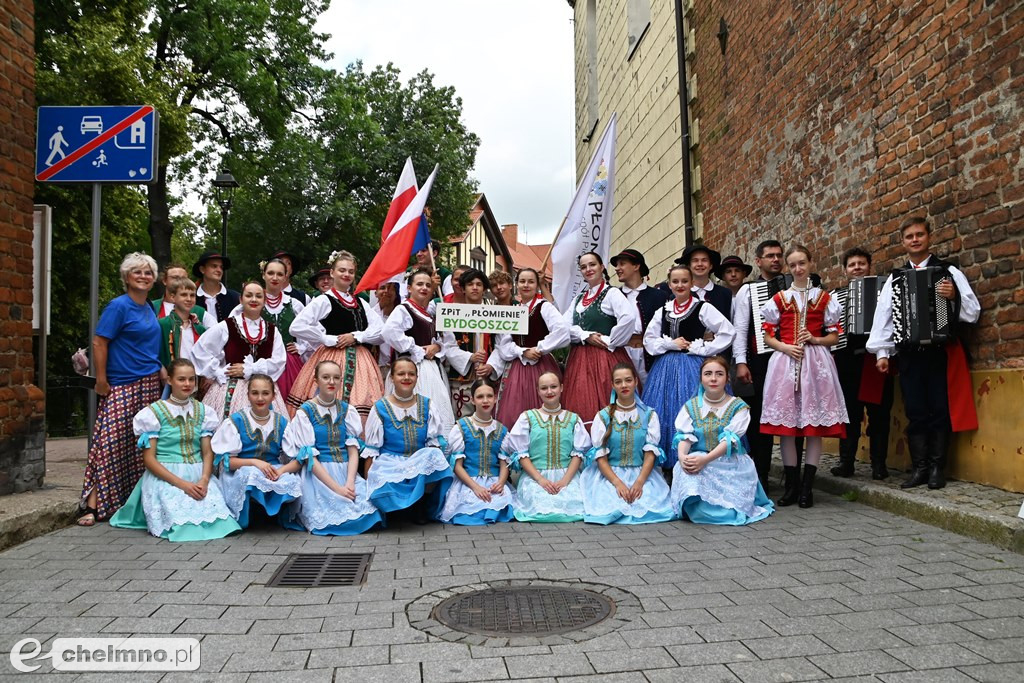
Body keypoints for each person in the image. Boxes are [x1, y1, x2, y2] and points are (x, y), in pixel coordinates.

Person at [867, 216, 980, 490]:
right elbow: (883, 319)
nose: (915, 239)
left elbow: (972, 312)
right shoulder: (895, 278)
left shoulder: (949, 272)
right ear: (903, 242)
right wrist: (882, 353)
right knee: (915, 410)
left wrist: (953, 297)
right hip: (909, 354)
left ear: (929, 237)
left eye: (919, 234)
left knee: (940, 408)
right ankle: (920, 468)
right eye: (909, 236)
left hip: (940, 352)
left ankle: (937, 469)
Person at [109, 359, 241, 541]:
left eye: (191, 379)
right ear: (170, 380)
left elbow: (207, 452)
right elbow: (149, 460)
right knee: (179, 518)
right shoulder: (153, 413)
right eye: (181, 379)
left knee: (219, 517)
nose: (187, 384)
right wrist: (183, 485)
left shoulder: (204, 412)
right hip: (165, 474)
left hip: (197, 471)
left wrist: (204, 478)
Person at [78, 252, 165, 526]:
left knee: (138, 445)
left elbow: (148, 346)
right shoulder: (119, 306)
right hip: (122, 382)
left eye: (148, 272)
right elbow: (99, 342)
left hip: (150, 382)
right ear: (126, 277)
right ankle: (91, 505)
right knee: (109, 443)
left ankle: (127, 502)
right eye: (137, 272)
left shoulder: (149, 307)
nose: (143, 276)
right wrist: (101, 379)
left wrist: (162, 369)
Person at [761, 245, 848, 508]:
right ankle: (791, 486)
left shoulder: (824, 298)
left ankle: (807, 488)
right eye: (793, 265)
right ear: (788, 267)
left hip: (815, 363)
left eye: (802, 263)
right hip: (785, 362)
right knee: (788, 429)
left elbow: (835, 335)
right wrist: (786, 347)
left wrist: (815, 338)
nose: (798, 269)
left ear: (810, 263)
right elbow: (767, 335)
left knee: (813, 428)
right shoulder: (779, 299)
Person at [643, 264, 735, 468]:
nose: (680, 285)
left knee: (695, 410)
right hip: (665, 368)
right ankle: (668, 464)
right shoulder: (663, 310)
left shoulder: (703, 307)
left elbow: (728, 332)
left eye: (685, 281)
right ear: (669, 285)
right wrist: (669, 344)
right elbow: (649, 340)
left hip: (693, 366)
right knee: (664, 411)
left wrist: (701, 348)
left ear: (692, 283)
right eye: (675, 281)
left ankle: (699, 460)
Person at [281, 360, 384, 534]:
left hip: (346, 471)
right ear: (316, 380)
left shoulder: (347, 410)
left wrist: (350, 482)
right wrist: (338, 489)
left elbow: (353, 452)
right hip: (319, 475)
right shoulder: (305, 413)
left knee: (370, 511)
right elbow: (310, 460)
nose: (331, 382)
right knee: (333, 515)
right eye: (326, 377)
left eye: (336, 378)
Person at [670, 356, 774, 525]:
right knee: (688, 476)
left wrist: (706, 459)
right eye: (708, 374)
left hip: (729, 462)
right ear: (701, 378)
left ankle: (720, 509)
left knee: (731, 508)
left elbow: (729, 441)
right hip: (698, 458)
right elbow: (684, 436)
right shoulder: (691, 406)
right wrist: (682, 457)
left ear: (727, 378)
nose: (713, 378)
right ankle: (696, 507)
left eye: (719, 374)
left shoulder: (738, 407)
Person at [287, 250, 385, 421]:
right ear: (332, 272)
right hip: (332, 357)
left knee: (362, 400)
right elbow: (296, 327)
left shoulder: (361, 302)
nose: (346, 274)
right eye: (342, 270)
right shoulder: (324, 300)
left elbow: (381, 331)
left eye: (351, 271)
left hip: (361, 361)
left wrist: (357, 336)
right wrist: (325, 338)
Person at [581, 363, 675, 525]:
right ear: (612, 385)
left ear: (636, 382)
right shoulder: (603, 416)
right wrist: (618, 483)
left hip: (642, 474)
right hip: (610, 475)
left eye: (628, 380)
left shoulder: (648, 415)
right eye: (618, 382)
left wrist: (639, 482)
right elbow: (601, 458)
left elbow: (650, 454)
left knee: (649, 505)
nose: (624, 385)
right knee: (612, 505)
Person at [363, 357, 454, 522]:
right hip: (390, 461)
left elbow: (433, 442)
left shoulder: (427, 404)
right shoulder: (380, 407)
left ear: (417, 378)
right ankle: (397, 509)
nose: (406, 377)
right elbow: (372, 450)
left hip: (417, 460)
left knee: (434, 455)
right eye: (401, 374)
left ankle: (421, 504)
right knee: (383, 484)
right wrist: (367, 485)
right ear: (392, 378)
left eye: (411, 374)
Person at [830, 247, 894, 480]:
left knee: (879, 413)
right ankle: (846, 462)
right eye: (852, 264)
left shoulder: (883, 291)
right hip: (847, 359)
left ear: (869, 266)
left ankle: (879, 465)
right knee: (849, 414)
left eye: (861, 263)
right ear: (845, 270)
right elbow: (831, 327)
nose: (857, 267)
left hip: (875, 358)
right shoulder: (837, 296)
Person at [211, 374, 302, 527]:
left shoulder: (281, 422)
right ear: (248, 395)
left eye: (265, 393)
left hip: (273, 469)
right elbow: (229, 463)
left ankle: (276, 516)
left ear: (274, 396)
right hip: (242, 469)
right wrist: (255, 462)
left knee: (291, 480)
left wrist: (281, 471)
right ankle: (248, 516)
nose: (260, 398)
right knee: (252, 475)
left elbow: (298, 460)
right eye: (255, 393)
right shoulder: (236, 421)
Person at [731, 240, 786, 490]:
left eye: (779, 255)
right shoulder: (748, 291)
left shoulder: (794, 285)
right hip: (761, 359)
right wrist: (741, 362)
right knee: (760, 419)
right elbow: (741, 328)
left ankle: (792, 477)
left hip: (791, 357)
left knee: (791, 417)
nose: (775, 260)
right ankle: (761, 474)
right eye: (770, 256)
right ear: (759, 261)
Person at [191, 281, 288, 420]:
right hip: (230, 390)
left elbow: (279, 362)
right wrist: (218, 371)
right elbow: (200, 350)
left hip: (263, 390)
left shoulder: (272, 330)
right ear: (241, 299)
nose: (254, 299)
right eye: (249, 295)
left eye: (258, 296)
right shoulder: (227, 325)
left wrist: (252, 368)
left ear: (264, 301)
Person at [563, 251, 638, 427]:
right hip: (579, 361)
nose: (588, 269)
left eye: (592, 264)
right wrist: (584, 335)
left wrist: (610, 341)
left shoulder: (612, 294)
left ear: (602, 267)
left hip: (605, 359)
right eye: (583, 267)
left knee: (607, 401)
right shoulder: (578, 299)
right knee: (581, 401)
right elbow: (563, 326)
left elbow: (628, 318)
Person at [505, 371, 590, 522]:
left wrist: (564, 481)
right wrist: (541, 480)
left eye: (553, 386)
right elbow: (522, 454)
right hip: (535, 476)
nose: (549, 391)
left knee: (575, 502)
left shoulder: (573, 419)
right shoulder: (527, 418)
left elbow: (578, 455)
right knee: (539, 503)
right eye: (544, 388)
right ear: (538, 390)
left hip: (567, 475)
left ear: (561, 388)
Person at [381, 269, 457, 435]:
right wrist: (415, 348)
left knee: (434, 410)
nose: (424, 288)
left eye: (428, 285)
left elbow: (442, 340)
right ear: (409, 288)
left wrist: (436, 347)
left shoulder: (429, 313)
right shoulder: (404, 309)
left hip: (431, 369)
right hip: (412, 367)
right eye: (419, 284)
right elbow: (389, 332)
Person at [494, 268, 570, 428]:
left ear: (537, 285)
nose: (526, 285)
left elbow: (562, 331)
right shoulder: (514, 311)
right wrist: (522, 351)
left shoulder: (544, 307)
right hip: (518, 366)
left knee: (542, 401)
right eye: (522, 281)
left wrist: (539, 348)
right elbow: (504, 344)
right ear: (516, 285)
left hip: (541, 364)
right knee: (515, 407)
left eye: (531, 281)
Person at [439, 378, 516, 525]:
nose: (485, 400)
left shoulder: (501, 430)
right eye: (480, 397)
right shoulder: (461, 428)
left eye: (489, 396)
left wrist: (501, 482)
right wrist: (476, 488)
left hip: (494, 480)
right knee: (471, 505)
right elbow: (457, 465)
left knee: (502, 502)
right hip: (468, 481)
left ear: (495, 399)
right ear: (473, 400)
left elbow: (504, 462)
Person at [445, 268, 505, 418]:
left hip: (487, 377)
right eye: (470, 284)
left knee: (488, 419)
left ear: (484, 289)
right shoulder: (452, 314)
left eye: (479, 284)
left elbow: (502, 344)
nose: (475, 287)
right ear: (463, 288)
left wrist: (491, 365)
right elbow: (447, 345)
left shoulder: (496, 314)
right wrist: (469, 357)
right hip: (462, 379)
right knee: (462, 420)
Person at [612, 248, 671, 383]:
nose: (617, 268)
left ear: (636, 266)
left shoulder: (659, 296)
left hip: (649, 355)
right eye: (617, 265)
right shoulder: (613, 295)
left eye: (622, 264)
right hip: (622, 352)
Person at [260, 258, 308, 402]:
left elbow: (313, 330)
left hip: (289, 364)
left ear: (286, 276)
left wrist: (301, 347)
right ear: (263, 275)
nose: (275, 278)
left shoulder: (294, 304)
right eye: (271, 273)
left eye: (280, 274)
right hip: (261, 361)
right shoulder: (254, 302)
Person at [157, 277, 207, 372]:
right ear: (173, 297)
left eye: (192, 295)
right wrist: (161, 370)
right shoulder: (163, 324)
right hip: (171, 378)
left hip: (195, 379)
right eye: (184, 295)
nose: (189, 299)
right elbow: (154, 353)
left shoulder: (199, 328)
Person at [676, 244, 732, 321]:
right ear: (689, 266)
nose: (700, 264)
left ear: (711, 265)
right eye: (695, 260)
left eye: (704, 260)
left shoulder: (725, 294)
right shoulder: (679, 295)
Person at [152, 262, 215, 327]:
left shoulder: (199, 312)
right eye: (175, 277)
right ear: (165, 281)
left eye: (183, 278)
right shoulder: (152, 307)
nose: (180, 281)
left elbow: (216, 331)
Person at [192, 251, 240, 324]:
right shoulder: (192, 297)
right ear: (202, 269)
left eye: (221, 267)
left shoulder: (235, 298)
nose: (219, 270)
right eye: (214, 266)